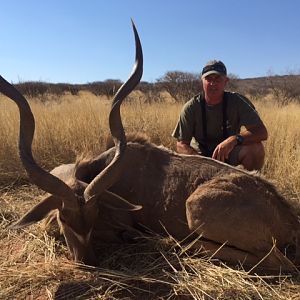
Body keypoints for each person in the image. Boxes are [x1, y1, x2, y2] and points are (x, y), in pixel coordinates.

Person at [172, 60, 268, 171]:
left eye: (218, 79)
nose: (213, 83)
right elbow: (181, 145)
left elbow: (262, 132)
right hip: (200, 157)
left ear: (226, 81)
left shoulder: (237, 102)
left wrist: (234, 139)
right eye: (209, 79)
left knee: (256, 149)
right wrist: (203, 162)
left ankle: (247, 186)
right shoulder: (190, 107)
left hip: (228, 152)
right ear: (202, 81)